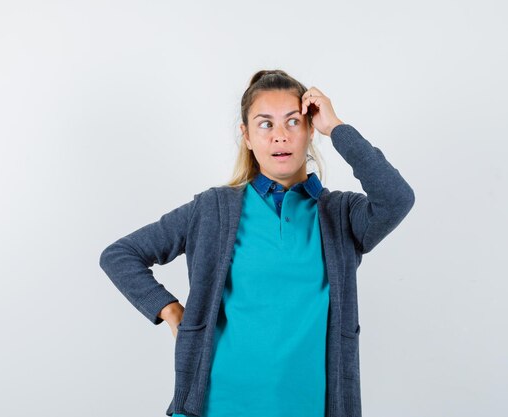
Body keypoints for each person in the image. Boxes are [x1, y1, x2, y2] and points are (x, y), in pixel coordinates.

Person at [99, 69, 415, 417]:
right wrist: (170, 311)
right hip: (215, 407)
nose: (280, 136)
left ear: (310, 130)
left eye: (293, 122)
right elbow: (120, 255)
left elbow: (396, 198)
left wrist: (336, 128)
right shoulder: (212, 210)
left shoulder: (341, 215)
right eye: (265, 124)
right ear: (246, 136)